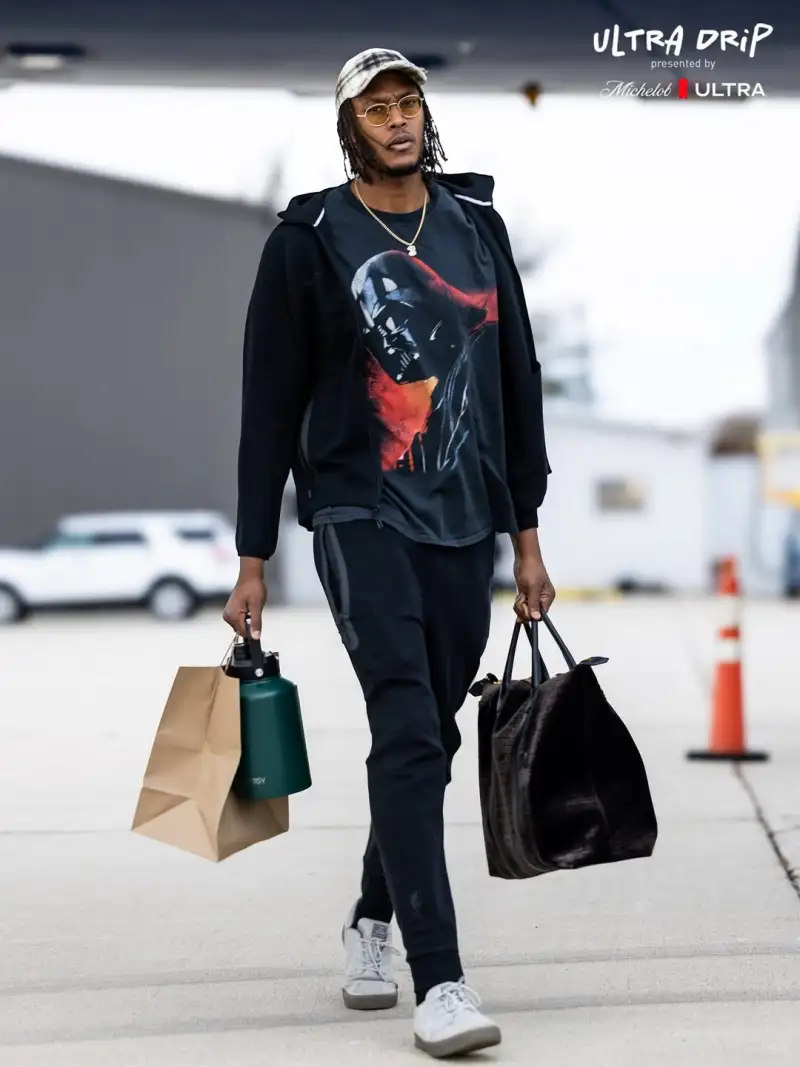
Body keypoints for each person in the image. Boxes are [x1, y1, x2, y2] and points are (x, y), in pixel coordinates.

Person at [224, 46, 555, 1059]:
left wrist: (526, 534)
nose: (398, 119)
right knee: (407, 726)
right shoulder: (309, 239)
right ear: (349, 126)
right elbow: (266, 402)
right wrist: (250, 555)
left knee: (433, 738)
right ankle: (440, 979)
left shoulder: (476, 229)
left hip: (466, 522)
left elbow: (517, 381)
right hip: (360, 513)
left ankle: (371, 914)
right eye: (377, 107)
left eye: (408, 101)